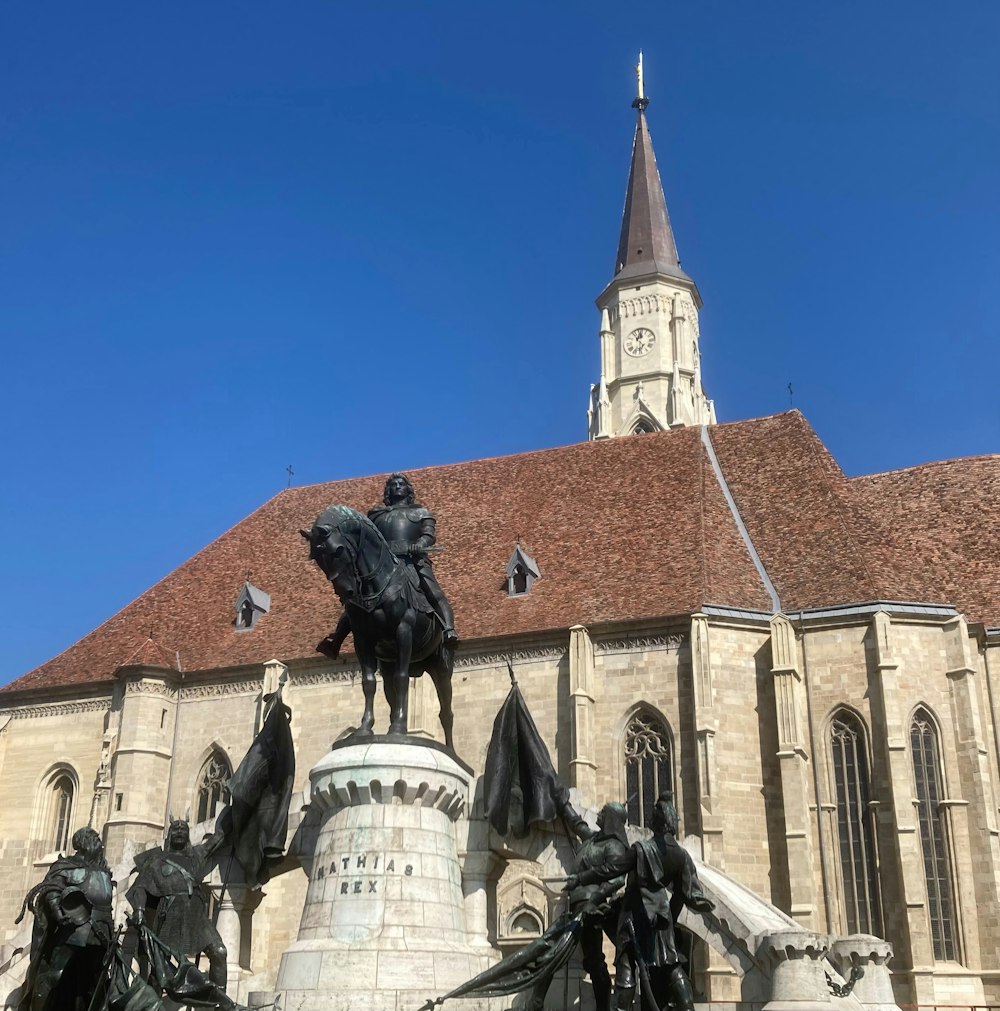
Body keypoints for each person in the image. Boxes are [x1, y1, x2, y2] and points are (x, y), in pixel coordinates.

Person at [572, 795, 714, 1011]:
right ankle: (687, 1006)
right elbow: (685, 894)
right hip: (661, 918)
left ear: (656, 822)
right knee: (672, 966)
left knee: (626, 970)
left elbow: (612, 869)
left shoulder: (640, 850)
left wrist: (582, 878)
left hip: (634, 917)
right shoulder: (681, 855)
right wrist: (670, 917)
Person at [318, 473, 458, 657]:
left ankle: (448, 629)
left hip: (411, 560)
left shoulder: (421, 512)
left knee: (433, 590)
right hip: (385, 565)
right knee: (356, 599)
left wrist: (420, 545)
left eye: (401, 484)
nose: (397, 486)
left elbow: (429, 535)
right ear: (388, 491)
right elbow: (368, 540)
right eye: (393, 485)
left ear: (408, 490)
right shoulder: (376, 516)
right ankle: (336, 640)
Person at [16, 826, 115, 1011]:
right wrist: (58, 912)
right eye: (95, 839)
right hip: (74, 930)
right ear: (84, 843)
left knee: (93, 981)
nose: (99, 844)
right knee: (54, 975)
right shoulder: (66, 866)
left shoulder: (103, 870)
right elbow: (52, 889)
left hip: (101, 934)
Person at [126, 818, 229, 989]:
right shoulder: (156, 860)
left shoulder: (196, 855)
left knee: (219, 952)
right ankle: (154, 1004)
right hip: (170, 915)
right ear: (169, 834)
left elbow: (218, 839)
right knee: (159, 969)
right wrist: (138, 909)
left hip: (197, 918)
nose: (179, 831)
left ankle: (219, 1004)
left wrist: (240, 807)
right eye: (175, 828)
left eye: (183, 828)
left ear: (188, 834)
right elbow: (140, 887)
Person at [554, 802, 631, 1011]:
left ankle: (603, 1007)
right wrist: (561, 800)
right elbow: (576, 823)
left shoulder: (613, 846)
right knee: (589, 958)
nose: (599, 813)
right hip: (575, 904)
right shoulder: (593, 839)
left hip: (592, 909)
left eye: (603, 812)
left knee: (594, 961)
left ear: (612, 819)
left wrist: (593, 901)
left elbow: (616, 880)